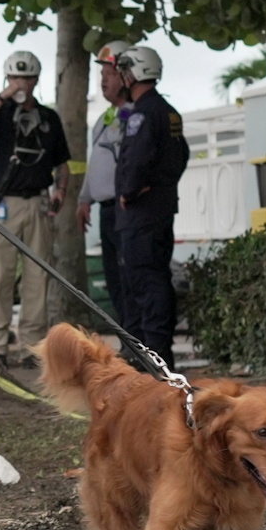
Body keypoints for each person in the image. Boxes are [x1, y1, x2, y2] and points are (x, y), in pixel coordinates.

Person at [0, 49, 71, 363]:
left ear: (37, 79)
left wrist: (61, 190)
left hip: (37, 201)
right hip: (3, 203)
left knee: (38, 277)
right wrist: (5, 94)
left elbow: (62, 162)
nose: (20, 81)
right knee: (0, 275)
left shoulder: (49, 118)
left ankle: (32, 346)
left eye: (26, 77)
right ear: (6, 77)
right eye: (14, 76)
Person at [107, 45, 189, 352]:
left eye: (124, 72)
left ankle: (152, 359)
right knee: (156, 277)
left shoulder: (142, 114)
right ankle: (157, 354)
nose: (122, 78)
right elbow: (181, 156)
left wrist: (130, 190)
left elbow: (138, 158)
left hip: (140, 216)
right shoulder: (168, 111)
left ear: (134, 73)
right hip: (161, 210)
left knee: (144, 284)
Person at [77, 41, 134, 331]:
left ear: (127, 74)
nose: (104, 81)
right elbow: (96, 161)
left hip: (128, 210)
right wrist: (84, 199)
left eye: (109, 74)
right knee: (114, 281)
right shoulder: (104, 119)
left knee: (130, 281)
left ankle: (142, 346)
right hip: (106, 211)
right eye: (101, 75)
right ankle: (127, 342)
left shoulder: (135, 116)